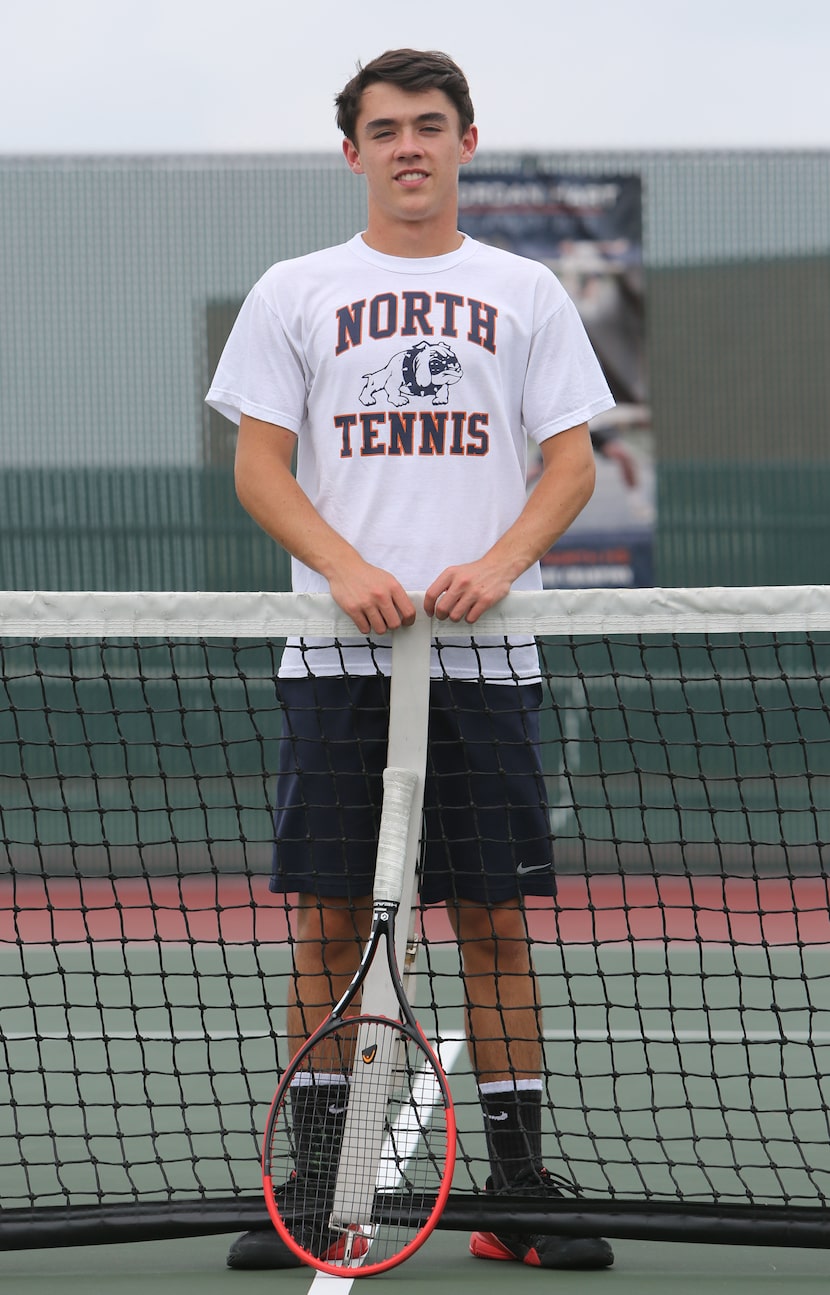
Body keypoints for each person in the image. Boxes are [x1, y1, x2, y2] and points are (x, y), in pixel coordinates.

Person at [206, 48, 615, 1272]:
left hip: (484, 667)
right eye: (382, 130)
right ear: (352, 153)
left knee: (492, 923)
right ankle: (315, 1186)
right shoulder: (294, 289)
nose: (407, 147)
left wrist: (495, 566)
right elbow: (259, 466)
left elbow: (573, 463)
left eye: (428, 125)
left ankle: (517, 1188)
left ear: (465, 140)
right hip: (338, 664)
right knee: (330, 925)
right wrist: (343, 567)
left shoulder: (527, 291)